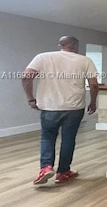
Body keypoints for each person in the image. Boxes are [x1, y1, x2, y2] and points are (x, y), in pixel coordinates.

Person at [21, 36, 100, 185]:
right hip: (74, 108)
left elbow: (26, 77)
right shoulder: (85, 60)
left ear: (61, 45)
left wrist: (31, 99)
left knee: (47, 137)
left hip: (49, 107)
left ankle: (45, 167)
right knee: (68, 139)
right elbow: (94, 85)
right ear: (75, 45)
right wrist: (93, 102)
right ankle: (63, 172)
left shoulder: (43, 57)